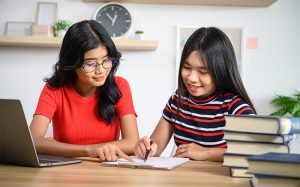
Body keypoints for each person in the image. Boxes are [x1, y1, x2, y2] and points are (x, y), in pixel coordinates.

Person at [134, 27, 256, 162]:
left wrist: (206, 153)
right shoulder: (177, 100)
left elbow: (256, 150)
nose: (191, 78)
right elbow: (155, 146)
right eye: (187, 68)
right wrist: (146, 148)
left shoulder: (234, 106)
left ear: (221, 71)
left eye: (203, 71)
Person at [29, 20, 139, 162]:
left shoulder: (120, 86)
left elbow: (131, 143)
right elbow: (33, 140)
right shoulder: (54, 89)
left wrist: (57, 147)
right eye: (90, 64)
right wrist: (90, 150)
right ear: (72, 63)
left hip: (106, 172)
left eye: (106, 60)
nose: (101, 70)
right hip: (65, 172)